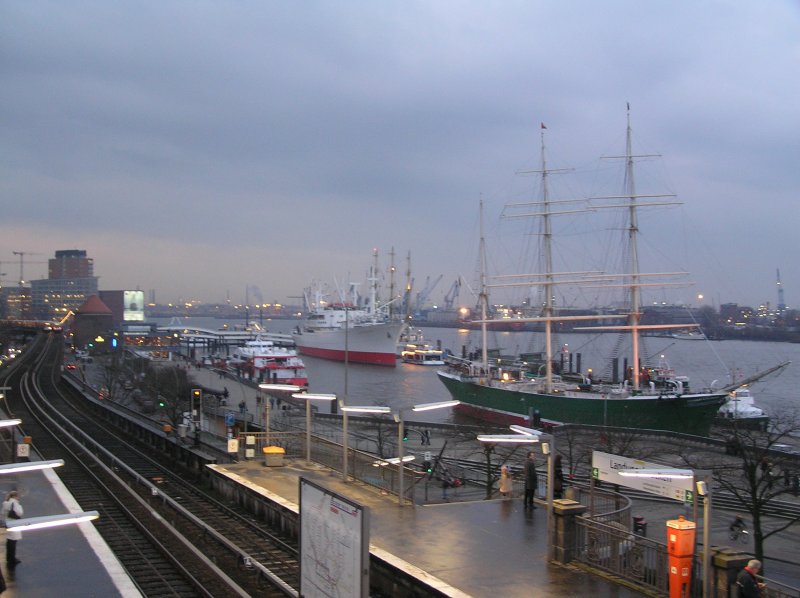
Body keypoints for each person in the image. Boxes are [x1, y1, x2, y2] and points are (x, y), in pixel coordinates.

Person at [1, 490, 23, 567]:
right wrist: (19, 505)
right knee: (13, 542)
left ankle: (8, 558)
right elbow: (20, 513)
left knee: (9, 541)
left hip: (8, 523)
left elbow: (2, 513)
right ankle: (12, 559)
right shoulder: (15, 503)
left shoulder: (5, 503)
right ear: (15, 496)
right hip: (15, 523)